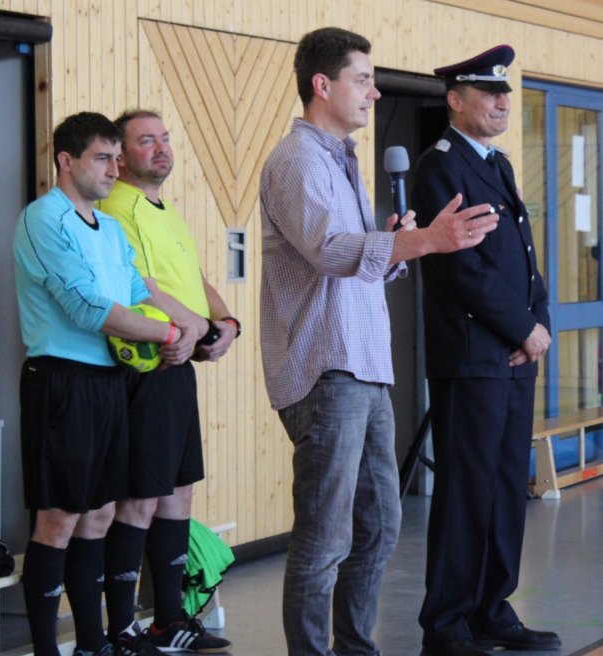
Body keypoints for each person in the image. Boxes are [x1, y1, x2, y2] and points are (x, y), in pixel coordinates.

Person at [259, 27, 501, 656]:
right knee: (325, 537)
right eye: (363, 80)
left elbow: (361, 264)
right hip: (325, 369)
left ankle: (355, 648)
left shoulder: (342, 159)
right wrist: (422, 241)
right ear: (323, 85)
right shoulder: (299, 160)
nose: (374, 92)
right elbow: (331, 252)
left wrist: (398, 242)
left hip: (364, 364)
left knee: (380, 527)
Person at [13, 112, 193, 656]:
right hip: (61, 382)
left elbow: (139, 289)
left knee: (99, 514)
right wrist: (168, 333)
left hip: (111, 381)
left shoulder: (110, 229)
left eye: (118, 158)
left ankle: (94, 643)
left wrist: (194, 330)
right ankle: (47, 649)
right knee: (60, 516)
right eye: (103, 158)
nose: (115, 169)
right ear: (66, 161)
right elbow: (88, 307)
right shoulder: (43, 218)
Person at [412, 46, 561, 656]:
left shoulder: (496, 163)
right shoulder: (439, 167)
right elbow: (462, 271)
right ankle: (447, 625)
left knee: (503, 489)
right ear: (455, 99)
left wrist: (538, 323)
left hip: (512, 356)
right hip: (473, 355)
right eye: (489, 93)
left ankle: (492, 611)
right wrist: (521, 330)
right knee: (465, 493)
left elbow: (523, 258)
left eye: (505, 94)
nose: (502, 103)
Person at [96, 109, 238, 655]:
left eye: (165, 139)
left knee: (179, 490)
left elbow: (193, 279)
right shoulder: (117, 206)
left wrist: (225, 322)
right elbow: (141, 284)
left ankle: (170, 619)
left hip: (180, 362)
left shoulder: (166, 211)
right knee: (142, 496)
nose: (160, 149)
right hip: (147, 366)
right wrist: (190, 329)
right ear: (121, 155)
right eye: (145, 141)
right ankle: (123, 627)